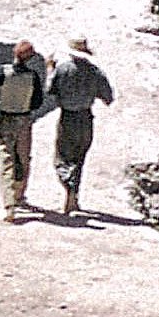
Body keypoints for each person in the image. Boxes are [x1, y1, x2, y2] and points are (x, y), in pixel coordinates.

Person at [46, 36, 115, 214]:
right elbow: (108, 98)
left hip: (68, 117)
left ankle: (68, 188)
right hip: (86, 118)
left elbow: (49, 90)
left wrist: (49, 69)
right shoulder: (95, 72)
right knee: (79, 158)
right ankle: (74, 196)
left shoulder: (62, 69)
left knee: (62, 158)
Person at [0, 40, 44, 223]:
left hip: (6, 119)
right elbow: (37, 102)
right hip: (24, 120)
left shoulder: (2, 72)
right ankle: (19, 195)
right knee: (23, 157)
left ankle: (9, 205)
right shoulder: (33, 76)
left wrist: (4, 96)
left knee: (6, 158)